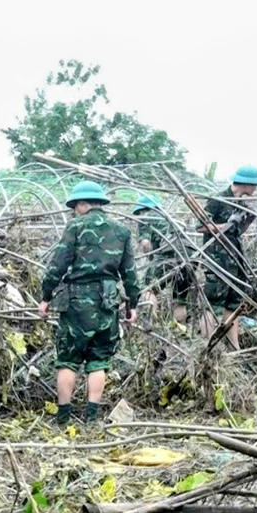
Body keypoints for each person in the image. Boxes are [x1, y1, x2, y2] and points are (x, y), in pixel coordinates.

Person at [37, 181, 139, 426]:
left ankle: (63, 418)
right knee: (99, 360)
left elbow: (58, 265)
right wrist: (132, 304)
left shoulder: (75, 227)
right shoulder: (121, 231)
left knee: (68, 358)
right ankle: (91, 418)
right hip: (107, 300)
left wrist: (46, 296)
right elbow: (130, 272)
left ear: (82, 205)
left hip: (76, 301)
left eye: (75, 206)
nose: (74, 211)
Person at [198, 165, 257, 349]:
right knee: (213, 305)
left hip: (235, 259)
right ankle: (206, 349)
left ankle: (234, 349)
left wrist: (248, 218)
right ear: (247, 184)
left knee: (232, 304)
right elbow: (201, 227)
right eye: (255, 185)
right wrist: (225, 224)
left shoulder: (240, 202)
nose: (256, 190)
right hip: (217, 260)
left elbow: (237, 232)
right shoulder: (218, 200)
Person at [132, 195, 194, 325]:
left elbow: (145, 244)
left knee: (148, 289)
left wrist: (150, 256)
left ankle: (153, 325)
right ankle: (179, 331)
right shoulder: (170, 218)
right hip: (190, 257)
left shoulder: (147, 217)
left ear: (142, 210)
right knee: (180, 299)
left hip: (167, 257)